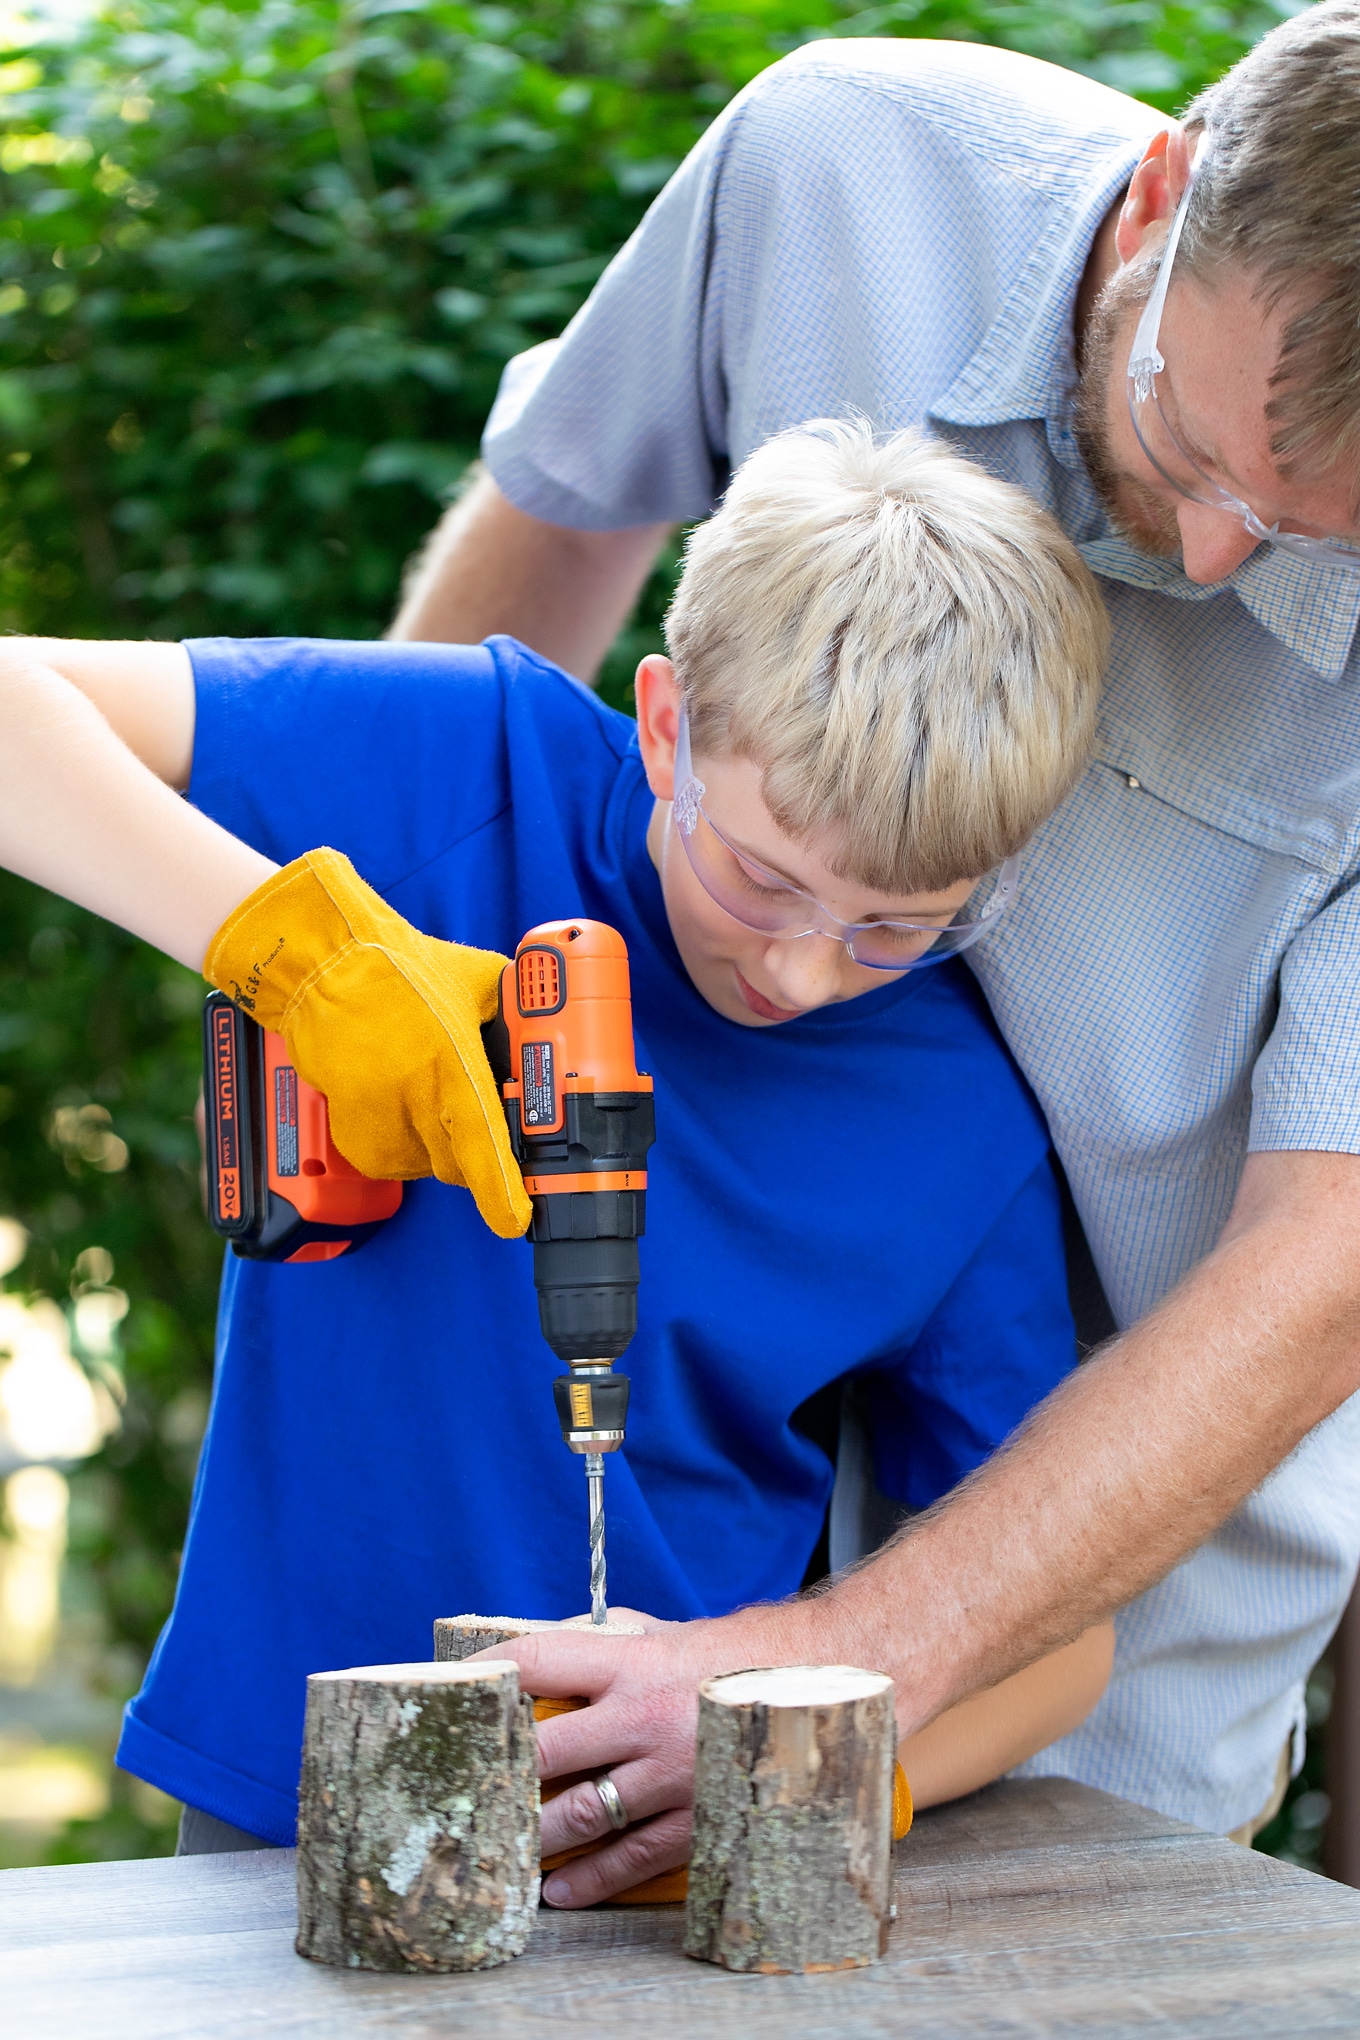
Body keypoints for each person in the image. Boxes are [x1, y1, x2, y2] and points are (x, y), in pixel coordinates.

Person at [389, 1, 1360, 1900]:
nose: (1223, 561)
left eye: (1324, 538)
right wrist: (373, 970)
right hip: (663, 1440)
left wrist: (846, 1676)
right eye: (1195, 448)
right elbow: (554, 540)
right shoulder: (834, 160)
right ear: (1161, 194)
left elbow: (1327, 1258)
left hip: (1097, 1629)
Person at [0, 421, 1113, 1863]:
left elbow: (1057, 1637)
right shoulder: (467, 767)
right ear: (667, 724)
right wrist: (290, 954)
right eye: (763, 879)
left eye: (897, 926)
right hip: (285, 1802)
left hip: (649, 1853)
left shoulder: (959, 1123)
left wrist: (802, 1776)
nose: (802, 972)